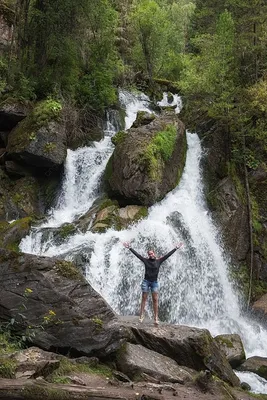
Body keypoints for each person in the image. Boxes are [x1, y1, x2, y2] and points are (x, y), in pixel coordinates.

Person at [123, 241, 183, 326]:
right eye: (149, 254)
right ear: (148, 255)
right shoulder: (146, 261)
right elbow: (137, 255)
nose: (151, 255)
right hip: (146, 282)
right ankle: (141, 316)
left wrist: (176, 248)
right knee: (144, 299)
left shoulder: (159, 261)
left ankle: (156, 318)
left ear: (154, 254)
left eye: (152, 253)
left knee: (155, 299)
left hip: (154, 283)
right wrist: (129, 248)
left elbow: (167, 255)